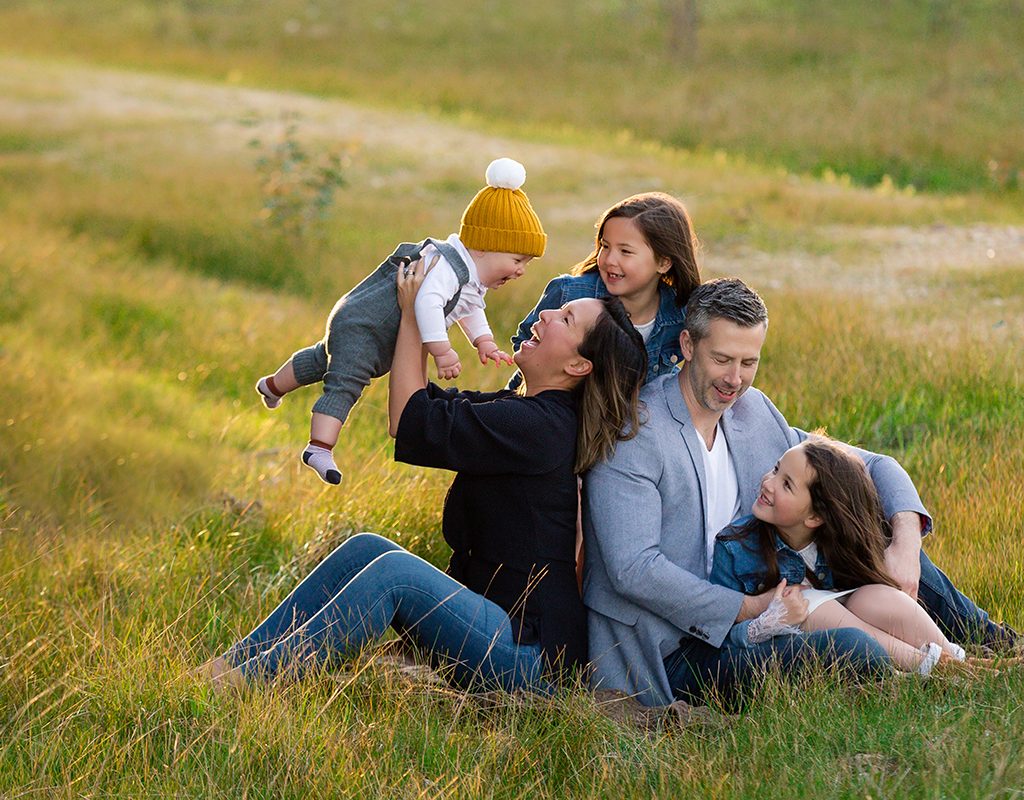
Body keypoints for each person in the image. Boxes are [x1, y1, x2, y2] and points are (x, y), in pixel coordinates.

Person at [203, 255, 649, 691]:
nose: (547, 313)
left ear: (578, 366)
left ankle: (243, 683)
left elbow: (408, 419)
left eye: (566, 319)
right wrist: (410, 314)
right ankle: (230, 666)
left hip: (529, 657)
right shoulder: (526, 412)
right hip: (494, 627)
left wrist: (416, 317)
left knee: (394, 573)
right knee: (365, 549)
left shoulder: (541, 427)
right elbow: (419, 405)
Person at [583, 278, 1017, 706]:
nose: (735, 380)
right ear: (688, 345)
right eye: (722, 359)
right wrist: (753, 608)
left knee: (896, 545)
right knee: (850, 648)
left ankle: (1008, 653)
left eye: (749, 362)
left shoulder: (753, 411)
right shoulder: (637, 433)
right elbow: (633, 569)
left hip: (777, 605)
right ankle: (938, 670)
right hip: (677, 649)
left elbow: (871, 467)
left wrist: (904, 541)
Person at [255, 157, 546, 485]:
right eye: (518, 260)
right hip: (366, 324)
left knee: (323, 357)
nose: (521, 270)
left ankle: (272, 385)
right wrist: (441, 350)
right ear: (487, 247)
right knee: (347, 379)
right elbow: (426, 302)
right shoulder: (446, 266)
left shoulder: (467, 276)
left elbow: (469, 307)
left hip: (366, 323)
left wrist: (484, 341)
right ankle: (319, 447)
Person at [713, 437, 981, 676]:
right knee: (807, 603)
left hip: (849, 633)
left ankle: (960, 661)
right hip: (786, 651)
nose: (768, 484)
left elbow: (882, 468)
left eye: (786, 484)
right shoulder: (735, 548)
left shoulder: (838, 540)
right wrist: (767, 622)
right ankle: (928, 666)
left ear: (815, 517)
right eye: (775, 469)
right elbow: (720, 638)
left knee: (875, 597)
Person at [508, 192, 701, 389]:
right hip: (555, 410)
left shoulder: (681, 315)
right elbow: (525, 342)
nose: (609, 260)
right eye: (605, 246)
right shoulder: (570, 293)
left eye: (625, 251)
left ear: (663, 262)